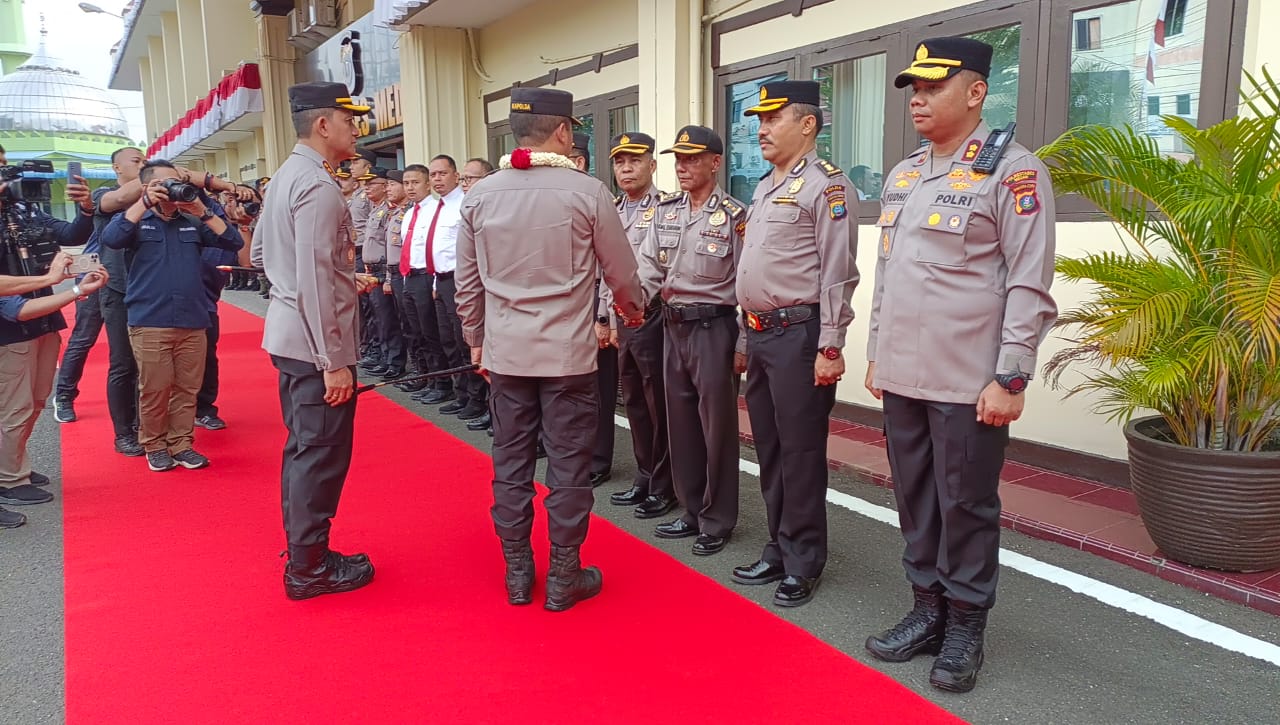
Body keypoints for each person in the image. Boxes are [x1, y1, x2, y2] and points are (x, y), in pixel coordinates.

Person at [862, 38, 1057, 694]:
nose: (917, 97)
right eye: (912, 87)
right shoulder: (905, 174)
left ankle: (966, 624)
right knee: (916, 500)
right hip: (904, 376)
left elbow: (1030, 280)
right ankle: (927, 610)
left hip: (970, 383)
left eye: (932, 86)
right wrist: (875, 353)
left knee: (966, 504)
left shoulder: (1014, 172)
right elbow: (889, 275)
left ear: (975, 92)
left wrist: (1011, 376)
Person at [455, 87, 646, 612]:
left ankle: (518, 572)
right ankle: (564, 574)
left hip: (507, 356)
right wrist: (632, 312)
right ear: (563, 131)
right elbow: (622, 273)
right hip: (567, 357)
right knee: (568, 465)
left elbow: (467, 285)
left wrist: (476, 340)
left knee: (511, 462)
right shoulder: (586, 192)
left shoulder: (480, 195)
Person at [732, 81, 859, 607]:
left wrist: (831, 344)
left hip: (799, 335)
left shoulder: (827, 187)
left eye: (773, 118)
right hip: (762, 334)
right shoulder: (765, 186)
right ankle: (779, 546)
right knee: (770, 448)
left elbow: (837, 272)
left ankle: (804, 559)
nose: (760, 128)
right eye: (759, 119)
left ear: (807, 124)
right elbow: (750, 268)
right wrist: (743, 333)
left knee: (801, 452)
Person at [252, 81, 379, 600]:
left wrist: (330, 282)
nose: (357, 129)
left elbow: (260, 254)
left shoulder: (287, 175)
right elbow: (314, 278)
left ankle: (306, 553)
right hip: (315, 346)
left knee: (305, 449)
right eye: (350, 121)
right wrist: (333, 360)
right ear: (324, 125)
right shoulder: (319, 186)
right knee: (321, 456)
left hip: (290, 333)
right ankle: (309, 567)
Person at [639, 125, 746, 556]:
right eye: (678, 159)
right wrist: (627, 306)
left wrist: (744, 343)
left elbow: (748, 282)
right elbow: (647, 267)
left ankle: (717, 518)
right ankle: (690, 508)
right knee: (680, 423)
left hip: (713, 329)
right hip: (672, 325)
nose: (683, 167)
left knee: (716, 428)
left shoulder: (737, 217)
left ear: (715, 162)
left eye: (693, 158)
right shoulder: (665, 211)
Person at [100, 160, 244, 472]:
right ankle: (154, 444)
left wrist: (201, 209)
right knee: (155, 389)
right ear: (148, 186)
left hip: (193, 318)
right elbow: (111, 239)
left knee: (187, 388)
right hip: (151, 319)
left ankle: (182, 443)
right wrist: (144, 202)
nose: (174, 187)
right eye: (166, 183)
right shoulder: (137, 221)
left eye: (177, 181)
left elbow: (233, 241)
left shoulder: (192, 222)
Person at [0, 173, 101, 527]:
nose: (5, 178)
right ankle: (9, 480)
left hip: (43, 318)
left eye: (4, 168)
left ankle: (14, 467)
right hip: (9, 329)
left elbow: (72, 235)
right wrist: (52, 281)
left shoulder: (24, 211)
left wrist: (86, 208)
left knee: (37, 399)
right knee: (13, 408)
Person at [599, 131, 676, 519]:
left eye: (634, 160)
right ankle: (645, 476)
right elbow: (604, 268)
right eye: (619, 162)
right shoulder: (611, 209)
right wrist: (604, 316)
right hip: (621, 318)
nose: (626, 168)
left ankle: (665, 484)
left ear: (652, 164)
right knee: (633, 402)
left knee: (656, 402)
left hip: (652, 315)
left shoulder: (666, 208)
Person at [421, 154, 489, 424]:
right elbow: (441, 251)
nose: (437, 180)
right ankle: (462, 395)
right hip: (443, 281)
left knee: (467, 342)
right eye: (433, 175)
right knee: (449, 341)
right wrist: (437, 283)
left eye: (443, 174)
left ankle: (478, 399)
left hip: (465, 281)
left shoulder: (466, 205)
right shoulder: (438, 207)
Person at [398, 163, 451, 404]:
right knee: (416, 332)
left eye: (415, 182)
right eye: (406, 183)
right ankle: (428, 378)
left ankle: (443, 383)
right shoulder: (410, 212)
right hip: (409, 277)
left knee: (433, 334)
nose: (410, 187)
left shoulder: (436, 211)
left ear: (428, 184)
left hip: (427, 277)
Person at [361, 167, 407, 380]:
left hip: (387, 271)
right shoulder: (380, 210)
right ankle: (386, 357)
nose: (388, 188)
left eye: (390, 184)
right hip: (374, 270)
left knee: (389, 319)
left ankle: (394, 362)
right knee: (379, 318)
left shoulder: (397, 212)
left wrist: (388, 277)